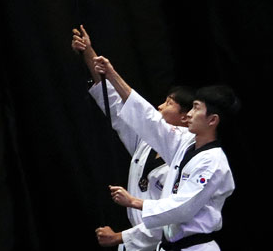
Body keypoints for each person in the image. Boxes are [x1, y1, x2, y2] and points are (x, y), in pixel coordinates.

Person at [93, 55, 239, 251]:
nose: (189, 115)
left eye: (196, 108)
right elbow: (149, 118)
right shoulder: (184, 143)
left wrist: (134, 202)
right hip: (169, 245)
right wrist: (111, 75)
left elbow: (182, 208)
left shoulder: (213, 163)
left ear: (212, 120)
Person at [71, 26, 194, 250]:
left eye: (168, 103)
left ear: (186, 117)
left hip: (165, 241)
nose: (159, 106)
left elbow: (170, 214)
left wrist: (119, 237)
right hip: (135, 244)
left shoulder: (187, 154)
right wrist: (88, 52)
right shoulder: (146, 142)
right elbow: (114, 104)